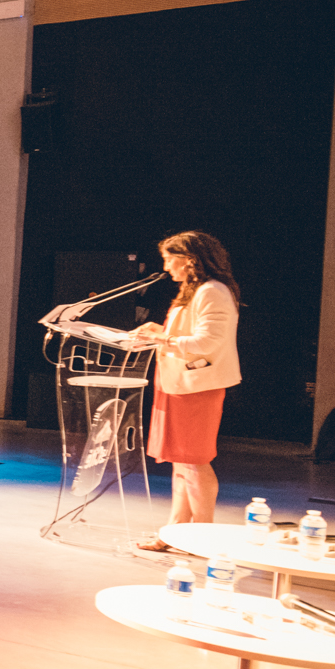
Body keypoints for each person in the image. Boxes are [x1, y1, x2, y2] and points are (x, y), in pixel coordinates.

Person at [133, 230, 242, 547]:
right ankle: (175, 531)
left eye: (170, 259)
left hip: (197, 388)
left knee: (194, 461)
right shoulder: (193, 291)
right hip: (177, 384)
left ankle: (202, 536)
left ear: (190, 259)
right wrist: (158, 332)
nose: (166, 267)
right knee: (182, 461)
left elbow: (208, 343)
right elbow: (185, 334)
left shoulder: (213, 291)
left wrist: (161, 337)